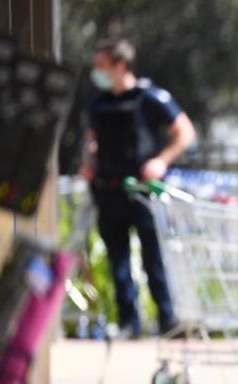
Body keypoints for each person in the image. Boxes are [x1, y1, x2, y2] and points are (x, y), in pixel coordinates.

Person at [81, 38, 195, 338]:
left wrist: (161, 161)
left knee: (153, 258)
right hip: (109, 190)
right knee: (117, 260)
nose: (97, 71)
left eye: (102, 65)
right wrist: (89, 161)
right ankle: (129, 323)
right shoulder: (99, 104)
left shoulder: (152, 98)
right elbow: (92, 140)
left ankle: (167, 320)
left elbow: (184, 132)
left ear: (120, 65)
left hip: (144, 191)